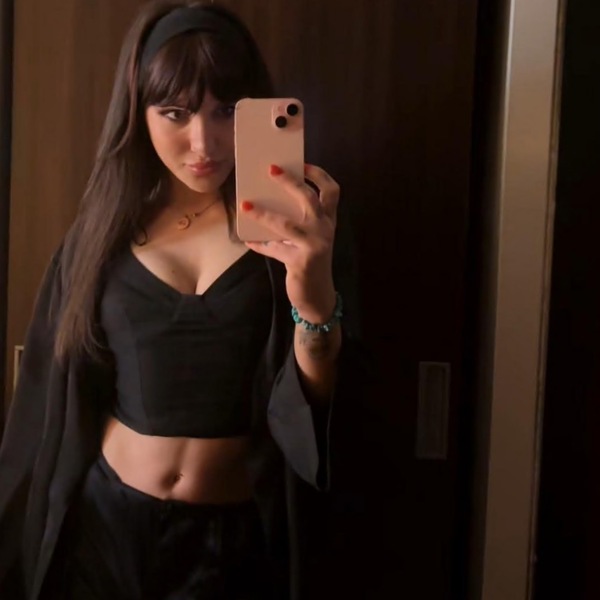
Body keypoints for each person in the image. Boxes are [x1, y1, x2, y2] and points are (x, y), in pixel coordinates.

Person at [0, 1, 368, 598]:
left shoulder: (299, 230)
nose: (204, 141)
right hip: (103, 530)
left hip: (230, 544)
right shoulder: (102, 233)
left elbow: (325, 411)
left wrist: (314, 304)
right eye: (175, 112)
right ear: (139, 114)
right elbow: (51, 396)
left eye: (226, 111)